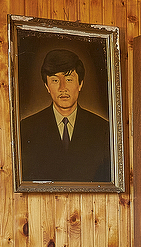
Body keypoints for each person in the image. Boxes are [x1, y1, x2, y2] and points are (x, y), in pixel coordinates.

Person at [17, 48, 113, 183]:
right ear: (47, 86)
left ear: (80, 84)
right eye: (55, 80)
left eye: (69, 79)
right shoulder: (26, 128)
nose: (63, 88)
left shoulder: (102, 129)